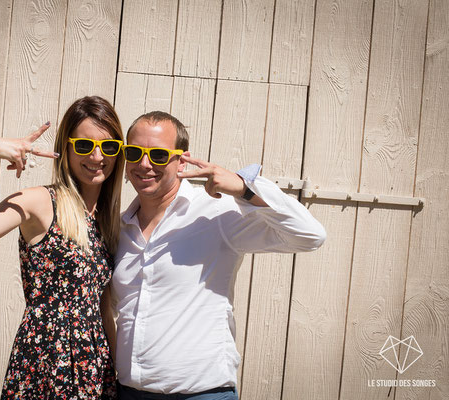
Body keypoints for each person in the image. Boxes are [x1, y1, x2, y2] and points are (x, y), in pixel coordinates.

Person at [111, 111, 327, 399]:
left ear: (182, 160)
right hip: (129, 393)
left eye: (160, 155)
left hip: (202, 394)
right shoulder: (120, 228)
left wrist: (244, 187)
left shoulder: (216, 212)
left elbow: (310, 235)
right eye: (135, 152)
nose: (145, 164)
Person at [0, 96, 124, 399]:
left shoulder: (108, 221)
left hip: (95, 369)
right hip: (45, 364)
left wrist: (120, 375)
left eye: (108, 147)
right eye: (83, 145)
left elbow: (104, 308)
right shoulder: (42, 203)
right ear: (65, 147)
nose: (96, 156)